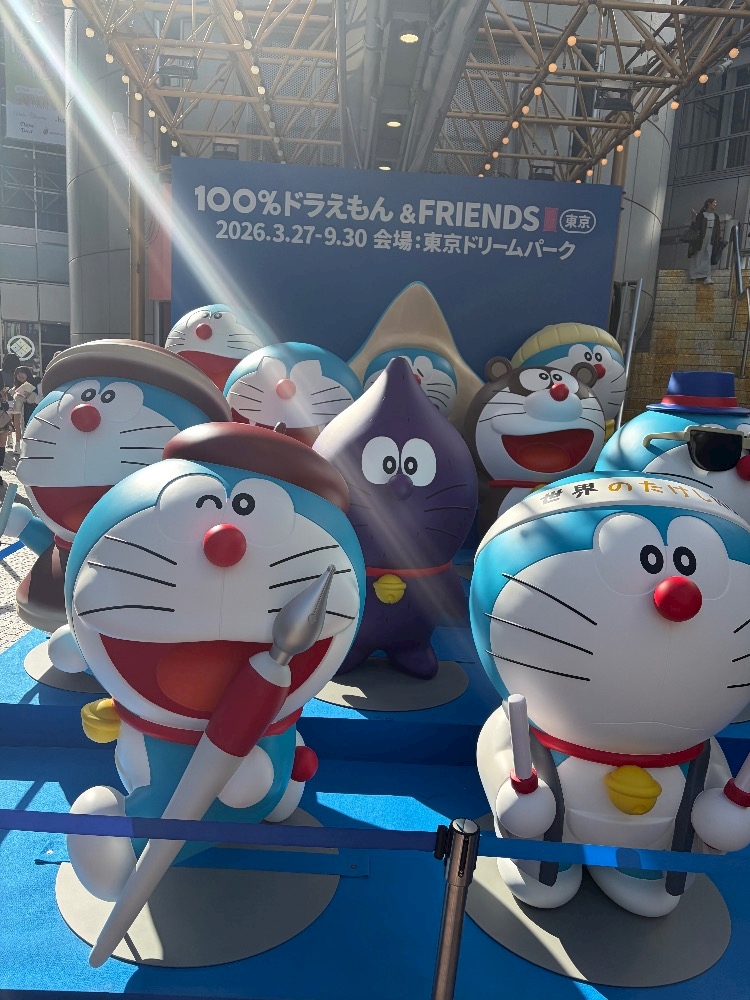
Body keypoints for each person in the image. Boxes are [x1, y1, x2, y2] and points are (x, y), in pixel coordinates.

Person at [687, 197, 722, 284]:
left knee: (708, 255)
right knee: (698, 255)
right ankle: (693, 275)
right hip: (701, 238)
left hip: (711, 238)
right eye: (714, 203)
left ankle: (707, 276)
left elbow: (717, 230)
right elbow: (695, 227)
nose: (716, 205)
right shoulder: (701, 215)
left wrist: (717, 239)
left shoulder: (716, 216)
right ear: (709, 204)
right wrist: (694, 218)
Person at [9, 366, 38, 455]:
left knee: (29, 428)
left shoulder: (35, 385)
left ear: (27, 374)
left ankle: (29, 447)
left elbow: (39, 400)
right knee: (17, 427)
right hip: (17, 411)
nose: (20, 375)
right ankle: (17, 445)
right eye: (17, 374)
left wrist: (30, 396)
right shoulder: (15, 388)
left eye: (22, 373)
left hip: (29, 410)